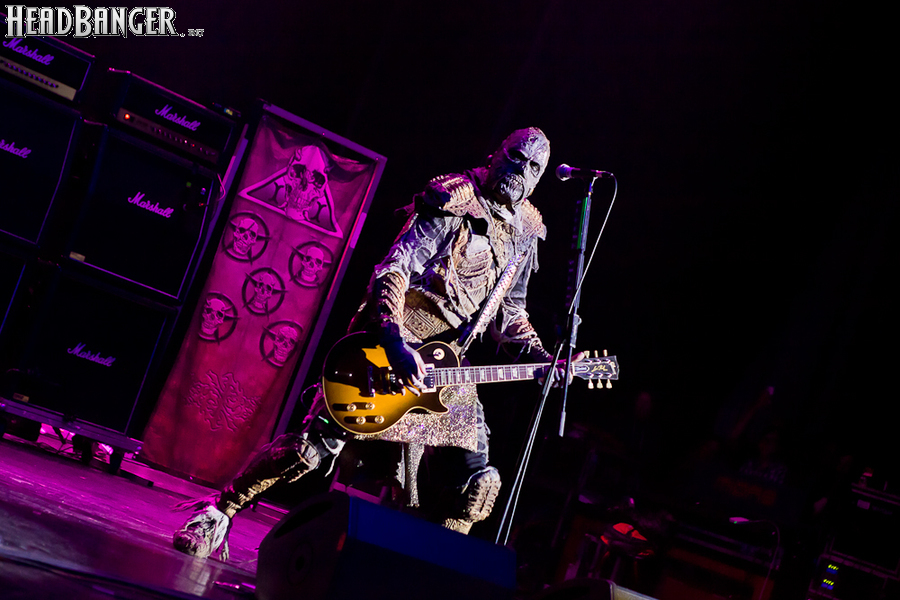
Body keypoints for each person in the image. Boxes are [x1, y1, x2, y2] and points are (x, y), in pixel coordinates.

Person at [173, 127, 574, 559]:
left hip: (449, 365)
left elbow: (510, 313)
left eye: (534, 167)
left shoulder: (526, 230)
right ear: (496, 153)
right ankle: (218, 512)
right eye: (515, 157)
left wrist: (544, 358)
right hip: (394, 341)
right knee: (308, 452)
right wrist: (393, 340)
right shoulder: (455, 199)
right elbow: (395, 268)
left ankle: (432, 571)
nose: (521, 170)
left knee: (479, 485)